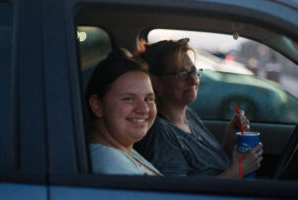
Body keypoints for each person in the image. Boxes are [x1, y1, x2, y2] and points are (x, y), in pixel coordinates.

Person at [134, 39, 263, 178]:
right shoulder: (160, 134)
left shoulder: (188, 115)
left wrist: (229, 140)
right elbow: (180, 195)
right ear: (156, 82)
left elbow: (211, 165)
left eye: (194, 71)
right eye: (182, 74)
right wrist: (239, 170)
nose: (193, 80)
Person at [85, 49, 162, 176]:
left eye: (149, 99)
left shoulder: (123, 150)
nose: (143, 109)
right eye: (128, 99)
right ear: (97, 105)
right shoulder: (110, 163)